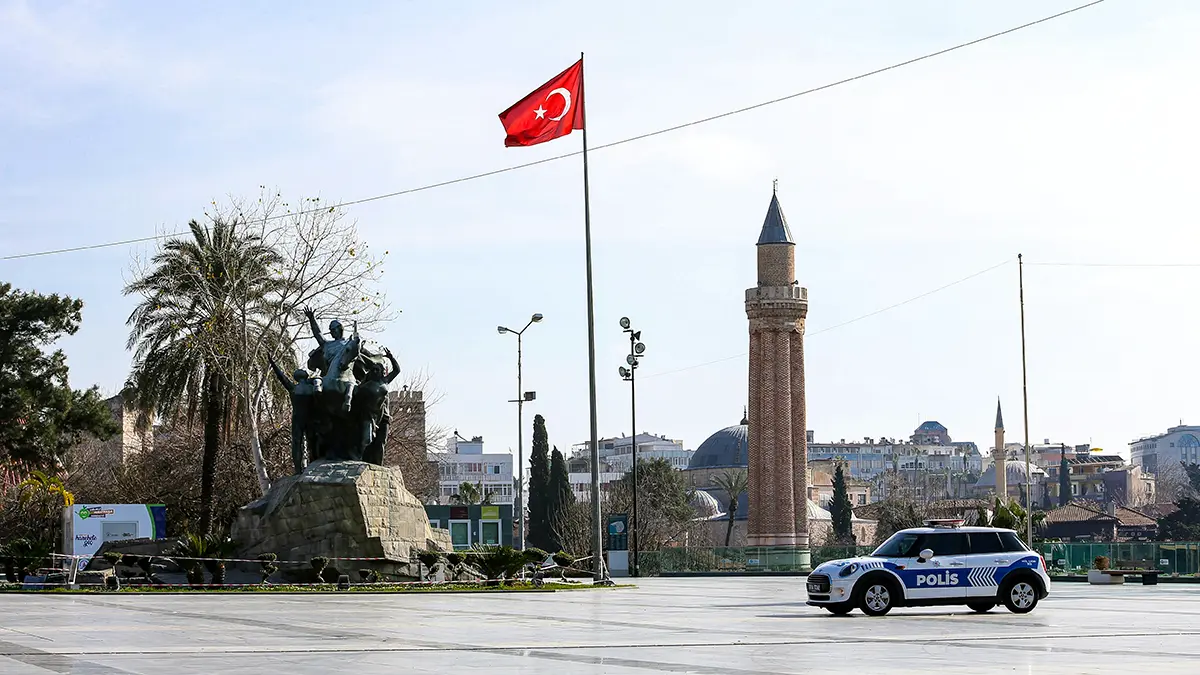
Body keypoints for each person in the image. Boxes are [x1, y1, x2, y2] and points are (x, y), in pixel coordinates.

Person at [267, 355, 322, 474]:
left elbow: (281, 377)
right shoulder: (312, 387)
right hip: (311, 419)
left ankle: (298, 469)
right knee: (312, 442)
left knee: (297, 443)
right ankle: (314, 466)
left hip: (298, 419)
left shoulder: (293, 388)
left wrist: (273, 363)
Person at [303, 307, 361, 413]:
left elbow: (355, 353)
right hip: (328, 375)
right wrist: (312, 319)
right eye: (330, 331)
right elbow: (318, 334)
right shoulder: (327, 345)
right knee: (308, 388)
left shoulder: (349, 343)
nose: (331, 333)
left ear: (340, 328)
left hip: (348, 375)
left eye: (333, 330)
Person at [360, 347, 400, 465]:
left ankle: (379, 465)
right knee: (367, 442)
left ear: (382, 371)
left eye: (378, 370)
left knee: (380, 442)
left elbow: (397, 370)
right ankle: (365, 463)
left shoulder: (384, 381)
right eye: (374, 370)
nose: (376, 372)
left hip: (384, 419)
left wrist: (391, 358)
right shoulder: (366, 385)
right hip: (370, 417)